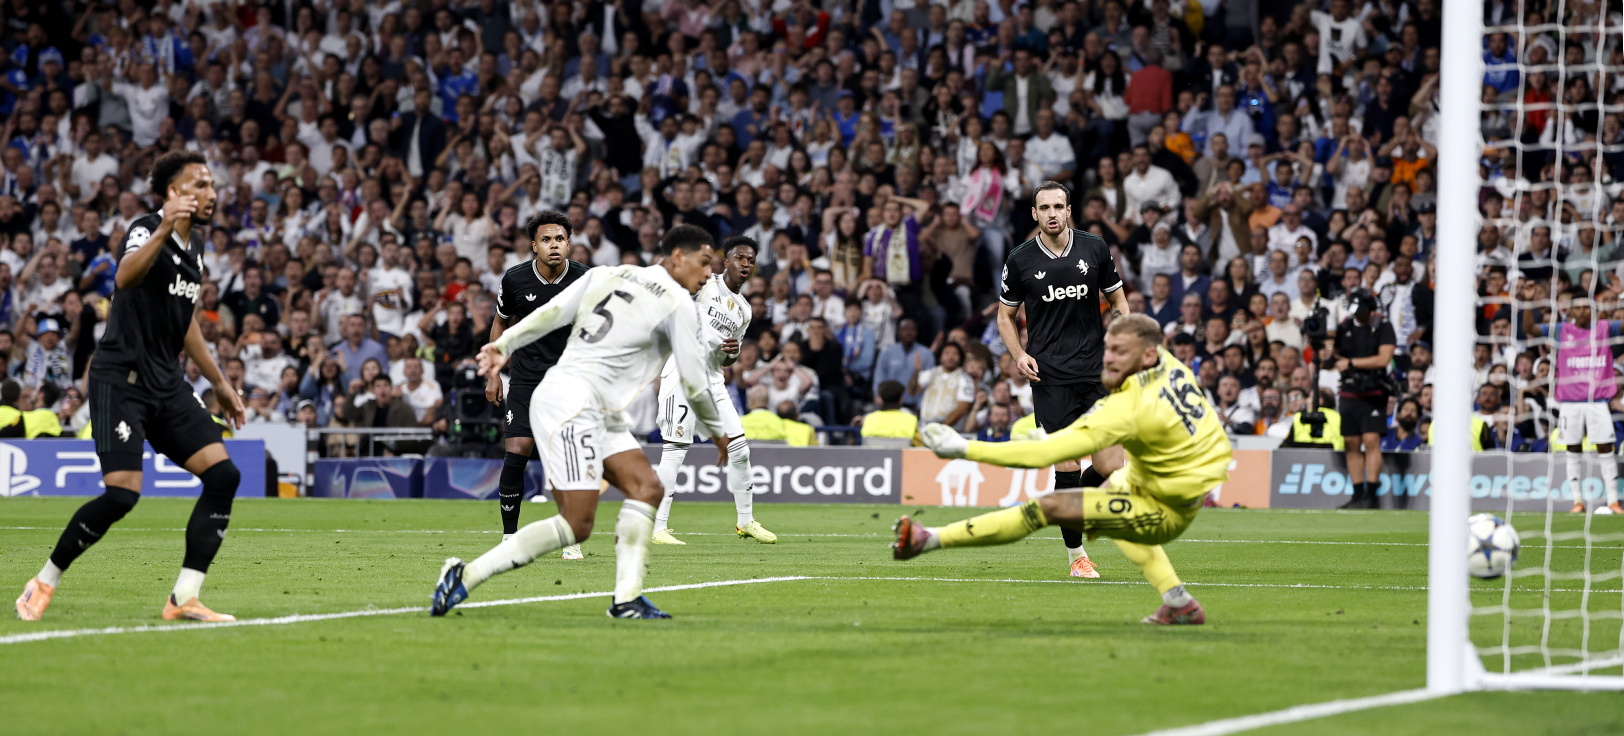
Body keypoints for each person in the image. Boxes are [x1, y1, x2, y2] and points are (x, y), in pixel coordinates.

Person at [432, 225, 725, 620]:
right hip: (572, 401)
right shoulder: (677, 302)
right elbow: (693, 379)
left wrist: (503, 344)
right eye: (704, 263)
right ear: (677, 257)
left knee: (647, 487)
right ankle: (464, 575)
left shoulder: (611, 273)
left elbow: (553, 313)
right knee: (577, 524)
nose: (709, 274)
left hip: (592, 403)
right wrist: (720, 432)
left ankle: (627, 599)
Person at [16, 151, 247, 623]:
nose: (210, 194)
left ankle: (184, 598)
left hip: (167, 383)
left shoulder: (196, 248)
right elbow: (123, 278)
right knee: (122, 495)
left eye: (211, 185)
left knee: (223, 476)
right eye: (197, 186)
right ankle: (43, 581)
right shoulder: (145, 228)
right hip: (120, 379)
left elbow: (186, 325)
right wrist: (164, 228)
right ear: (172, 194)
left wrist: (219, 382)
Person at [894, 315, 1230, 625]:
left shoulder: (1127, 410)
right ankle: (1178, 601)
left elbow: (1045, 454)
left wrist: (964, 448)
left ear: (1145, 356)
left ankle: (929, 540)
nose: (1109, 358)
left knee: (1050, 507)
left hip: (1165, 508)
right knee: (1109, 496)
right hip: (1163, 480)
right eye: (1108, 348)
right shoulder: (1170, 365)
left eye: (1120, 351)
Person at [996, 180, 1130, 579]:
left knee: (1111, 466)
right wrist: (1019, 355)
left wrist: (1121, 339)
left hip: (1096, 373)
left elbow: (1119, 301)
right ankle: (1077, 558)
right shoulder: (1019, 260)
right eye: (1044, 208)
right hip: (1050, 376)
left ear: (1069, 210)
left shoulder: (1095, 248)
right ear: (1034, 214)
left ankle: (1072, 507)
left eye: (1059, 206)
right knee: (1068, 465)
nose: (1052, 213)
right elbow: (1005, 315)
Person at [653, 235, 777, 545]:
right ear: (726, 261)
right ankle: (656, 528)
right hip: (682, 373)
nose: (745, 264)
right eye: (740, 258)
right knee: (675, 449)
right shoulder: (705, 283)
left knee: (739, 449)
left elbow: (726, 358)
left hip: (712, 380)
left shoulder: (745, 311)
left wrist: (732, 352)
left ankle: (746, 522)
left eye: (750, 260)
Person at [487, 211, 590, 556]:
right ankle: (509, 537)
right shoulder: (515, 279)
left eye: (559, 239)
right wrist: (494, 373)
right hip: (527, 379)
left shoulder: (586, 280)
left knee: (566, 457)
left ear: (568, 243)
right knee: (517, 450)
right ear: (534, 246)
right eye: (546, 240)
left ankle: (570, 536)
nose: (553, 245)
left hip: (569, 382)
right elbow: (499, 325)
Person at [1524, 290, 1623, 514]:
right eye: (1577, 307)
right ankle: (1577, 502)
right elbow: (1530, 329)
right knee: (1573, 449)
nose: (1582, 311)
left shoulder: (1605, 328)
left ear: (1594, 309)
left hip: (1598, 401)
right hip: (1570, 402)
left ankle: (1613, 501)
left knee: (1605, 448)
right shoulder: (1562, 330)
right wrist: (1529, 302)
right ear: (1570, 310)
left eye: (1587, 307)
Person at [1329, 289, 1395, 509]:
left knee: (1371, 440)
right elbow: (1332, 356)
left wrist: (1351, 363)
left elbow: (1384, 358)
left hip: (1373, 391)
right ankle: (1358, 495)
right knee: (1351, 442)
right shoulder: (1345, 326)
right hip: (1349, 392)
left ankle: (1372, 494)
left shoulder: (1382, 325)